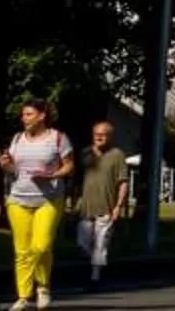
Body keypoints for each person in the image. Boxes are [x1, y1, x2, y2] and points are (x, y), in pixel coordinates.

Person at [0, 99, 75, 311]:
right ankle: (23, 296)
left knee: (40, 246)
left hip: (48, 200)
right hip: (19, 199)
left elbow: (69, 165)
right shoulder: (17, 139)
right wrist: (6, 165)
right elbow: (13, 169)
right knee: (22, 251)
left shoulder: (58, 138)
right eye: (23, 115)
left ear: (42, 116)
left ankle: (43, 286)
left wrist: (54, 174)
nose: (24, 119)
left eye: (29, 114)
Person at [73, 120, 129, 288]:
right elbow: (77, 181)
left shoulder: (117, 155)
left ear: (110, 136)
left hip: (107, 207)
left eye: (103, 134)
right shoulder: (85, 153)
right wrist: (74, 202)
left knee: (101, 244)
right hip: (85, 207)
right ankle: (96, 263)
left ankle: (95, 277)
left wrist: (118, 206)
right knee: (82, 243)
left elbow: (123, 182)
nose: (99, 137)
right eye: (96, 134)